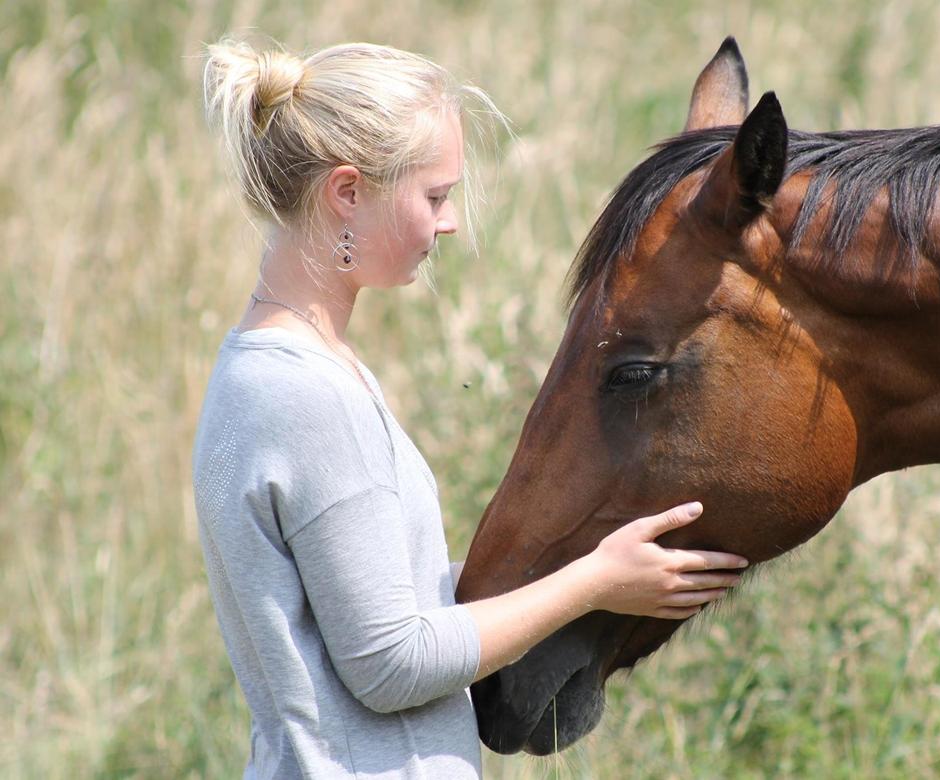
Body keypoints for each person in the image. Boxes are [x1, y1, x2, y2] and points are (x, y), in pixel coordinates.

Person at [192, 37, 748, 779]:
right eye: (433, 196)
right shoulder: (305, 396)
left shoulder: (280, 369)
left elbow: (375, 602)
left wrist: (579, 563)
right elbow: (392, 663)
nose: (449, 222)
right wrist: (593, 584)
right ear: (347, 192)